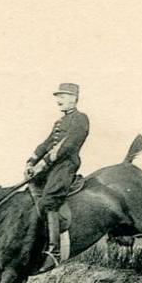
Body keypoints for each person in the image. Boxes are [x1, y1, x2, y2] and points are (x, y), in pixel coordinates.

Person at [25, 83, 90, 270]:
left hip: (65, 166)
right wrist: (32, 160)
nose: (58, 100)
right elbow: (47, 142)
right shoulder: (59, 122)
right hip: (51, 165)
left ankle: (53, 252)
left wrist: (44, 162)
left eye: (63, 96)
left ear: (74, 98)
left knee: (49, 201)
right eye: (58, 97)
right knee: (31, 192)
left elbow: (67, 146)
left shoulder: (81, 119)